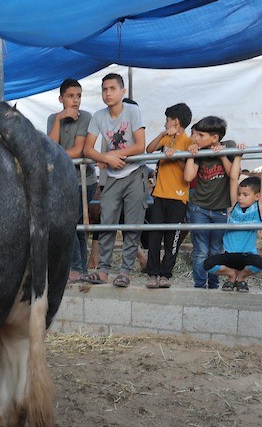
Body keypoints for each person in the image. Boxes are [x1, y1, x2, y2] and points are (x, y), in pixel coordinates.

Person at [82, 73, 146, 288]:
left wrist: (114, 155)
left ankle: (125, 271)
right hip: (111, 176)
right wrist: (106, 158)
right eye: (104, 89)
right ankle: (103, 270)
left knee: (132, 224)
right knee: (106, 222)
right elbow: (88, 149)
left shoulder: (132, 111)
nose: (108, 93)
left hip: (134, 173)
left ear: (122, 91)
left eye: (112, 88)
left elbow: (140, 146)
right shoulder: (98, 116)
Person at [182, 116, 243, 289]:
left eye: (200, 135)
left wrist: (222, 155)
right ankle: (200, 285)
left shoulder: (229, 146)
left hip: (220, 209)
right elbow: (188, 177)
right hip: (199, 208)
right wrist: (191, 155)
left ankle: (214, 284)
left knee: (216, 250)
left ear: (215, 138)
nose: (195, 138)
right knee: (201, 251)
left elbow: (234, 174)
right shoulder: (199, 153)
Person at [201, 145, 262, 292]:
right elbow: (233, 179)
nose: (240, 198)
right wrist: (238, 155)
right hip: (229, 255)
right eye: (239, 194)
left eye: (245, 195)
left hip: (247, 256)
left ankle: (241, 277)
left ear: (257, 196)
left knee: (259, 263)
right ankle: (232, 275)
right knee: (208, 264)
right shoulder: (234, 207)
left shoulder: (259, 208)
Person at [46, 78, 95, 284]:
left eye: (78, 96)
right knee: (75, 225)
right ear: (61, 98)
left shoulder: (86, 117)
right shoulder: (53, 118)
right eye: (70, 96)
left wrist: (56, 155)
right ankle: (81, 269)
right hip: (63, 181)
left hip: (84, 180)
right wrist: (59, 119)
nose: (75, 100)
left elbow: (78, 151)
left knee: (69, 224)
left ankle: (75, 268)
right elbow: (51, 145)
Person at [143, 103, 193, 288]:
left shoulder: (188, 142)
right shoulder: (166, 139)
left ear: (175, 121)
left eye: (167, 120)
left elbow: (188, 171)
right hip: (160, 194)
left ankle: (166, 273)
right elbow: (149, 149)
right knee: (155, 235)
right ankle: (152, 273)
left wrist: (176, 155)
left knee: (173, 237)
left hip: (179, 197)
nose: (165, 123)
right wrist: (163, 134)